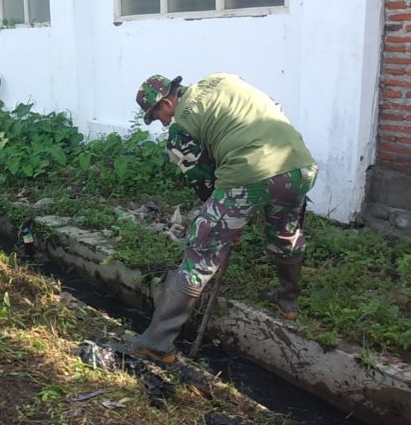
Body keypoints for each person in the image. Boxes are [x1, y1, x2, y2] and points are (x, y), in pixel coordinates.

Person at [128, 73, 318, 363]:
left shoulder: (180, 128)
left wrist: (225, 222)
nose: (162, 122)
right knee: (285, 230)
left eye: (157, 115)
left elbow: (202, 182)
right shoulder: (223, 80)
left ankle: (156, 343)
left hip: (251, 171)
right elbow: (272, 106)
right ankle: (288, 300)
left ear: (167, 101)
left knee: (200, 251)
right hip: (299, 164)